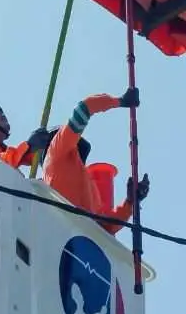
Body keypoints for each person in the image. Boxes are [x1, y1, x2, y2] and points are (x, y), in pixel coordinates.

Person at [41, 90, 150, 235]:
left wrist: (130, 202)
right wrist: (120, 101)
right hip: (66, 236)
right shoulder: (56, 150)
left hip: (76, 241)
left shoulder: (86, 184)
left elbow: (105, 228)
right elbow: (85, 108)